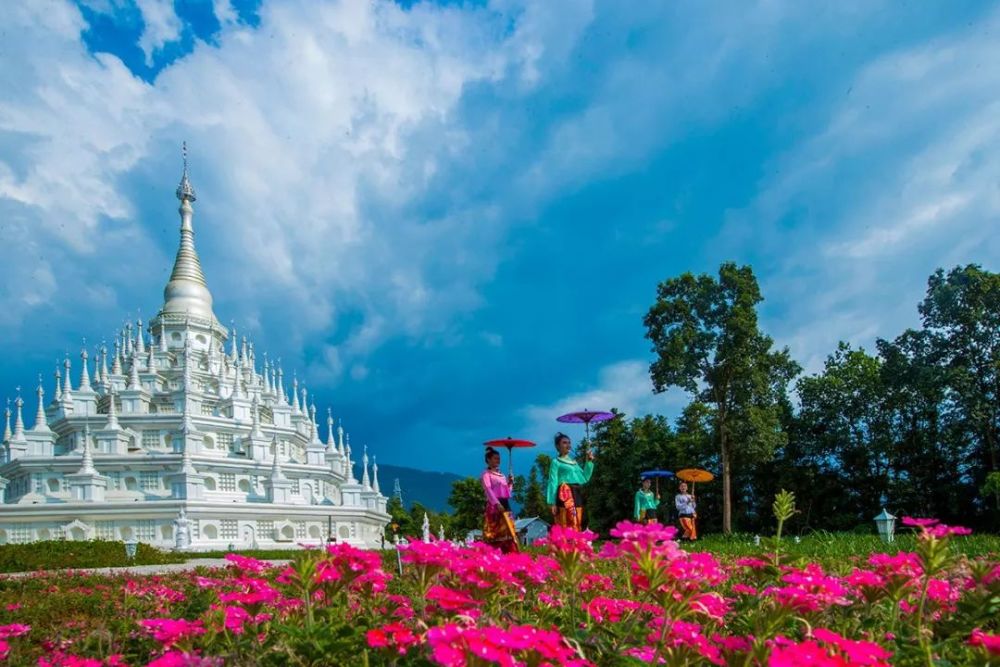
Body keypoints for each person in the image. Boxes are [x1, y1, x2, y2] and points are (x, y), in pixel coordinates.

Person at [546, 432, 595, 530]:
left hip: (576, 493)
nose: (568, 445)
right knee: (566, 520)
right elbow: (553, 482)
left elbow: (584, 477)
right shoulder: (556, 462)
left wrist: (589, 461)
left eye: (569, 443)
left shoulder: (573, 462)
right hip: (564, 494)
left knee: (577, 518)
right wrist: (552, 502)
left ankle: (576, 543)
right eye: (564, 443)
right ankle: (565, 544)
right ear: (557, 446)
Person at [480, 447, 519, 553]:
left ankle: (510, 555)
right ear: (488, 460)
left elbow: (507, 492)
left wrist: (510, 483)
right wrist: (496, 503)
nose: (498, 461)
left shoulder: (502, 475)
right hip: (494, 505)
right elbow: (488, 489)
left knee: (509, 531)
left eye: (499, 458)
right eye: (495, 458)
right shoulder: (486, 474)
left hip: (505, 504)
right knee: (495, 533)